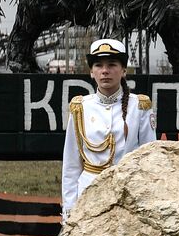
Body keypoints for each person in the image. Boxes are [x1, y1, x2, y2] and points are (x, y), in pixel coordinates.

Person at [62, 38, 157, 218]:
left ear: (123, 71)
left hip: (128, 194)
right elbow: (71, 165)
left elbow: (149, 160)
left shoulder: (140, 106)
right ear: (91, 72)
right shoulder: (80, 107)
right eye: (98, 65)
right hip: (88, 194)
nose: (105, 71)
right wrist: (69, 210)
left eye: (112, 65)